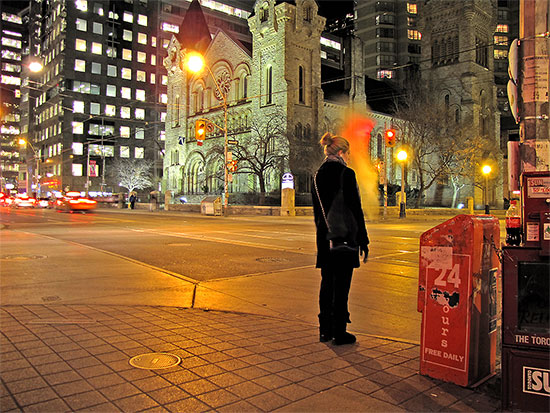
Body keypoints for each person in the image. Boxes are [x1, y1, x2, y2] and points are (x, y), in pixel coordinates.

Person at [311, 132, 369, 345]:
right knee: (342, 285)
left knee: (327, 283)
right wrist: (363, 239)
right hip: (345, 239)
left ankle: (324, 330)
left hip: (325, 239)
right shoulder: (347, 173)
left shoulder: (316, 176)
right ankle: (339, 332)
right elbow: (355, 209)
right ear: (342, 152)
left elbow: (318, 212)